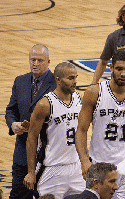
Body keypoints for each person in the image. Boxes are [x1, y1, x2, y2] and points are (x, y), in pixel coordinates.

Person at [75, 50, 125, 199]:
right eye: (119, 69)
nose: (123, 73)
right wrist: (84, 161)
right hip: (100, 167)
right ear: (111, 67)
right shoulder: (94, 92)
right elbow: (81, 130)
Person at [23, 62, 85, 198]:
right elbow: (32, 138)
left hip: (75, 166)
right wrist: (31, 171)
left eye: (76, 77)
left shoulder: (78, 99)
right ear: (58, 79)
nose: (74, 82)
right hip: (51, 167)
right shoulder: (45, 104)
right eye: (70, 78)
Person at [5, 44, 56, 199]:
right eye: (32, 59)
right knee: (18, 195)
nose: (35, 63)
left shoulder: (56, 83)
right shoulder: (20, 81)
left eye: (40, 60)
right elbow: (11, 109)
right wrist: (13, 124)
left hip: (47, 154)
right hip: (22, 152)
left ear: (48, 62)